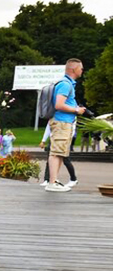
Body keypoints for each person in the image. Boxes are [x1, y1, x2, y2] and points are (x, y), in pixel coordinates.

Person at [44, 59, 87, 193]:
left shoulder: (67, 84)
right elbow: (59, 105)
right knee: (56, 152)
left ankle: (54, 180)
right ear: (73, 70)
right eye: (81, 68)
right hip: (61, 122)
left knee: (60, 152)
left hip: (64, 122)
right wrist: (76, 110)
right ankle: (52, 182)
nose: (82, 71)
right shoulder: (65, 85)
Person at [40, 123, 78, 187]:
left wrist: (68, 139)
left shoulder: (69, 115)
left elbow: (72, 128)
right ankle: (48, 179)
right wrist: (43, 140)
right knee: (51, 159)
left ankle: (73, 178)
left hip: (64, 138)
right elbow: (49, 126)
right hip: (54, 137)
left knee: (65, 159)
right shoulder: (55, 115)